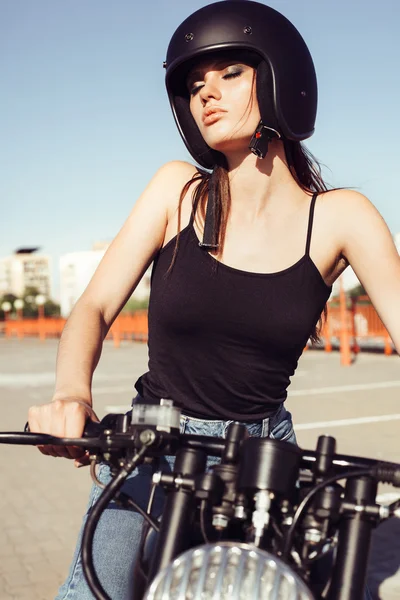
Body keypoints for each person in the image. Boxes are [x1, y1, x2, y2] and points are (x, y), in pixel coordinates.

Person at [28, 1, 399, 599]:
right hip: (151, 445)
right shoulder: (177, 191)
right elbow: (93, 309)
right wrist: (71, 395)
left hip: (261, 457)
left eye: (229, 74)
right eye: (195, 85)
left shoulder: (340, 218)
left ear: (280, 80)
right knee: (97, 591)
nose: (207, 94)